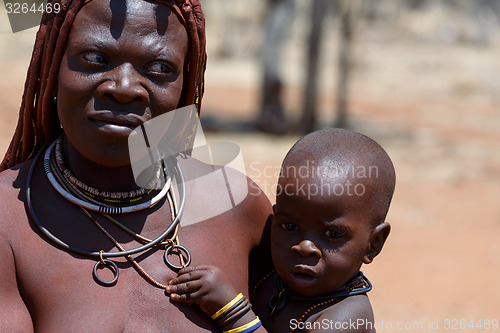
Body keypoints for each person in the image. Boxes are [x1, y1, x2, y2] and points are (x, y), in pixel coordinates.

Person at [0, 0, 272, 331]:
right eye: (95, 59)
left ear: (184, 85)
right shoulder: (8, 220)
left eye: (158, 68)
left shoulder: (237, 205)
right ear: (54, 67)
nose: (125, 88)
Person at [166, 128, 396, 332]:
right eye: (289, 226)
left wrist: (230, 310)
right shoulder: (273, 280)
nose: (304, 247)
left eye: (332, 234)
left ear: (373, 243)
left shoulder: (347, 318)